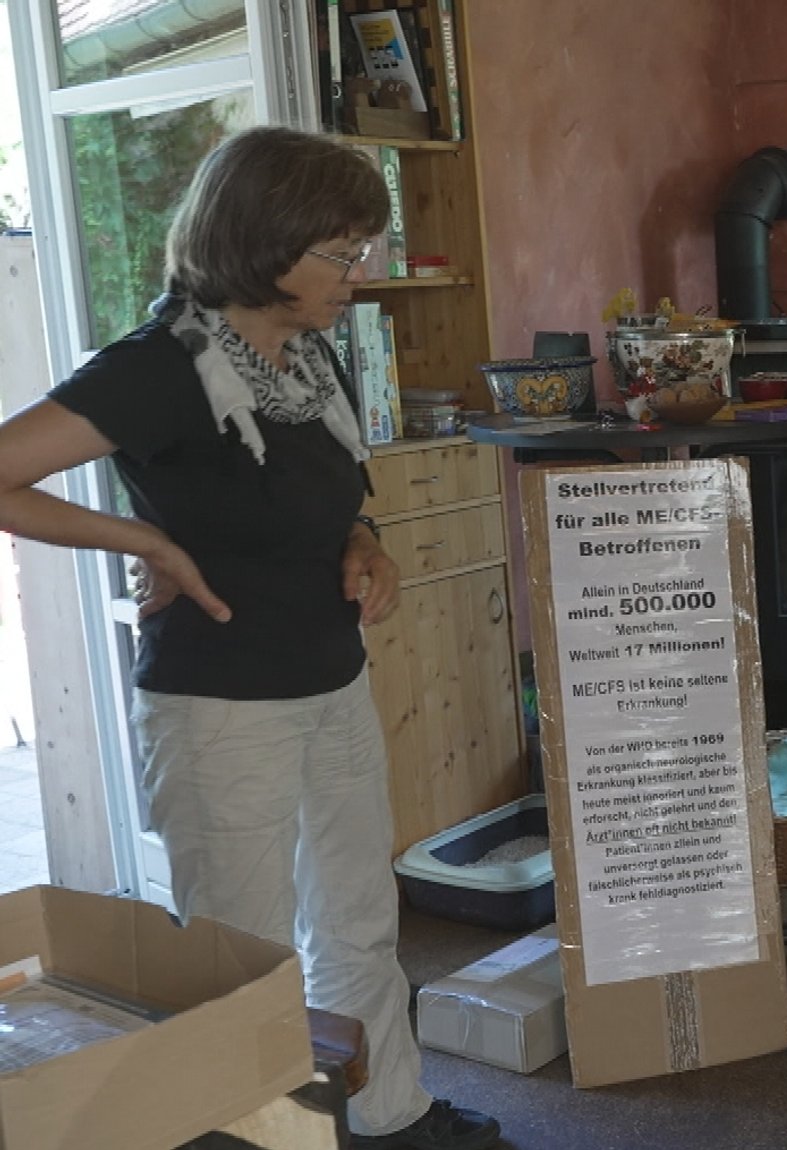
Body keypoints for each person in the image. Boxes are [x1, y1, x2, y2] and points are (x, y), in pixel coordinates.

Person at [0, 128, 499, 1149]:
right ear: (265, 240)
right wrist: (143, 539)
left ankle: (389, 1114)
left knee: (359, 920)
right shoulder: (157, 367)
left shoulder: (306, 355)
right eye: (343, 252)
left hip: (330, 680)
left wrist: (370, 545)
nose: (359, 276)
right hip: (221, 707)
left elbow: (334, 501)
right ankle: (277, 1141)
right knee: (244, 960)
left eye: (363, 249)